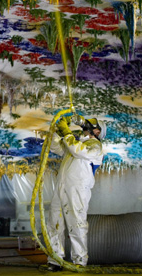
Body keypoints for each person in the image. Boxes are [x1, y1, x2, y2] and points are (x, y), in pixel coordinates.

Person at [47, 115, 106, 271]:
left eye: (90, 125)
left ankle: (79, 260)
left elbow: (78, 151)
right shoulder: (75, 143)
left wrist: (67, 132)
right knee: (54, 223)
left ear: (97, 132)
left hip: (77, 189)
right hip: (61, 186)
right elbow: (56, 147)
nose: (85, 126)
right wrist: (56, 131)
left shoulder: (95, 147)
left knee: (77, 223)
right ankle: (56, 259)